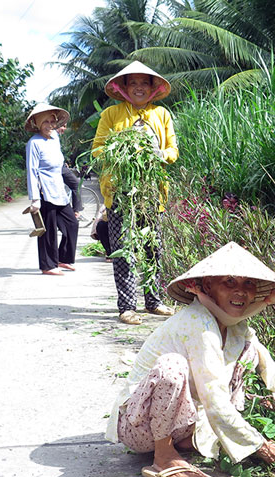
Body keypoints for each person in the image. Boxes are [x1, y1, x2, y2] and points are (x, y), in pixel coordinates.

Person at [104, 242, 275, 477]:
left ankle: (183, 442)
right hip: (138, 426)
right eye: (229, 282)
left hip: (181, 422)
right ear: (207, 287)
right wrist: (257, 444)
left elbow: (268, 365)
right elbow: (214, 401)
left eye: (248, 284)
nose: (241, 292)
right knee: (172, 366)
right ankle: (162, 456)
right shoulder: (198, 323)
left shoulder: (236, 327)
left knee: (249, 351)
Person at [92, 60, 178, 325]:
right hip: (119, 193)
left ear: (152, 88)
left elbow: (173, 151)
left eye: (144, 83)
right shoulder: (112, 115)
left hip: (152, 193)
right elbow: (97, 150)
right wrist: (119, 151)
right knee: (123, 249)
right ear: (124, 87)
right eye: (133, 83)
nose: (139, 88)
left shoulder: (161, 114)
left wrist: (158, 153)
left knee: (154, 248)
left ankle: (154, 302)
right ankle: (127, 306)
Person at [25, 103, 78, 275]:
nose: (50, 125)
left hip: (59, 189)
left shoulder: (55, 137)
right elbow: (32, 171)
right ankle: (48, 265)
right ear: (38, 123)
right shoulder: (34, 143)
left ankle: (63, 258)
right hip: (44, 191)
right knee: (48, 230)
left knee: (72, 224)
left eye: (52, 121)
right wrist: (35, 199)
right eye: (45, 122)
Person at [55, 122, 82, 217]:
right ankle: (76, 211)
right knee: (76, 184)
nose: (64, 129)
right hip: (57, 168)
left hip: (60, 165)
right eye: (63, 126)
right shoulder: (52, 135)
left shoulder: (54, 136)